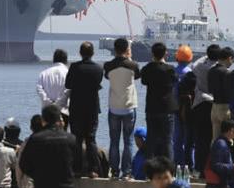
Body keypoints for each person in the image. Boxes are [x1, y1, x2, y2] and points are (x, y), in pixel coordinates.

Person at [18, 104, 76, 188]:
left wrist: (38, 175)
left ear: (43, 120)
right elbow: (78, 164)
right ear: (59, 120)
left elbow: (24, 165)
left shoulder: (35, 139)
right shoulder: (71, 138)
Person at [64, 41, 103, 177]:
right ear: (92, 53)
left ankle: (77, 169)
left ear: (80, 53)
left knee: (77, 139)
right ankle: (93, 169)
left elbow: (68, 84)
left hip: (76, 107)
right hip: (92, 108)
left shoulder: (74, 67)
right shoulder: (98, 68)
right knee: (91, 139)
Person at [103, 37, 140, 178]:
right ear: (127, 49)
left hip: (113, 107)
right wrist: (130, 58)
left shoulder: (108, 65)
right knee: (128, 141)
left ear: (115, 49)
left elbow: (107, 76)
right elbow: (137, 76)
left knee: (114, 141)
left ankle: (114, 171)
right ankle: (127, 172)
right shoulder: (133, 65)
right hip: (129, 106)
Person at [141, 42, 178, 160]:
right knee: (168, 140)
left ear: (152, 53)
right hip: (167, 108)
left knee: (151, 140)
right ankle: (169, 170)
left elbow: (143, 81)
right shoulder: (170, 69)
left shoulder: (147, 68)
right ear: (165, 53)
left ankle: (149, 171)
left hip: (151, 108)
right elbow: (175, 81)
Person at [192, 44, 221, 175]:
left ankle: (199, 168)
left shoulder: (199, 66)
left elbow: (195, 63)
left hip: (199, 104)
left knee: (200, 139)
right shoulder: (218, 69)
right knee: (214, 138)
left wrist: (206, 56)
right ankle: (212, 169)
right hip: (214, 104)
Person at [206, 119, 234, 188]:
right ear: (232, 130)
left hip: (225, 186)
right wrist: (233, 167)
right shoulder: (221, 144)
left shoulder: (223, 143)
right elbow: (216, 165)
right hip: (222, 187)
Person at [36, 49, 70, 128]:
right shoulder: (68, 73)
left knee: (47, 137)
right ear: (66, 60)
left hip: (47, 111)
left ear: (54, 59)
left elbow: (39, 89)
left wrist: (48, 103)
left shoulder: (43, 73)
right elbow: (68, 90)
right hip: (63, 111)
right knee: (63, 137)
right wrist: (57, 104)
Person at [174, 45, 195, 168]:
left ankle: (178, 164)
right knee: (189, 140)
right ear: (190, 59)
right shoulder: (191, 73)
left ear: (177, 58)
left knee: (177, 139)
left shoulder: (173, 72)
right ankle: (189, 165)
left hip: (175, 109)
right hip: (188, 110)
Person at [209, 47, 234, 143]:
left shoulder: (211, 71)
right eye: (233, 59)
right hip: (225, 108)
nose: (232, 63)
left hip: (214, 107)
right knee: (228, 139)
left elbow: (210, 89)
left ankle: (214, 157)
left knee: (215, 139)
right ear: (229, 58)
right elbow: (230, 92)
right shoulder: (227, 72)